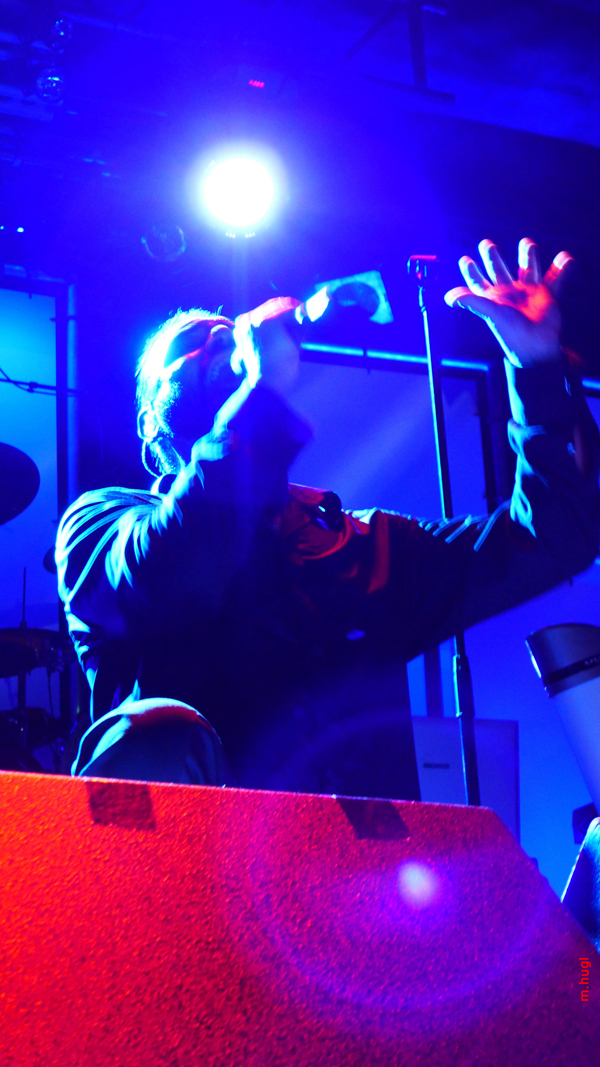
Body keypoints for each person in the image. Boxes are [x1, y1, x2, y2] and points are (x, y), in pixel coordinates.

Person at [56, 238, 600, 792]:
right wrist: (260, 395)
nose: (219, 338)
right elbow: (172, 573)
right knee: (158, 730)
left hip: (347, 845)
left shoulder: (363, 544)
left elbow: (557, 535)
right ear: (150, 422)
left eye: (226, 332)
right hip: (187, 841)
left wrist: (538, 369)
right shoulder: (99, 526)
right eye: (189, 347)